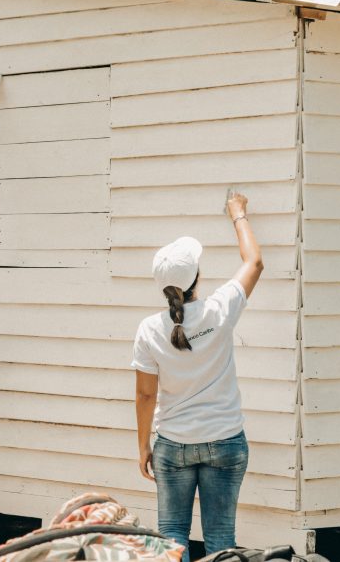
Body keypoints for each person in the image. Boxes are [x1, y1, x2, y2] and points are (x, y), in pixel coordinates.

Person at [133, 193, 263, 562]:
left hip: (173, 446)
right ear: (196, 278)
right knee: (222, 538)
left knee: (172, 535)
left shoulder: (148, 330)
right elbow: (254, 261)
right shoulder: (220, 309)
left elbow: (145, 396)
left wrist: (144, 446)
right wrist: (238, 214)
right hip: (225, 441)